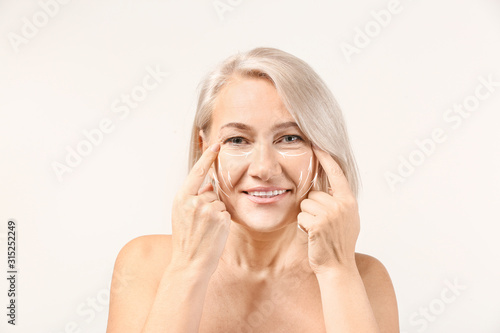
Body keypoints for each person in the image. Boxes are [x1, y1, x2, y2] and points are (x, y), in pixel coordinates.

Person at [106, 47, 399, 332]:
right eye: (237, 140)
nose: (264, 168)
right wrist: (189, 268)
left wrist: (337, 269)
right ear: (204, 148)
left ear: (323, 149)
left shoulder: (366, 278)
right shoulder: (144, 262)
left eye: (289, 138)